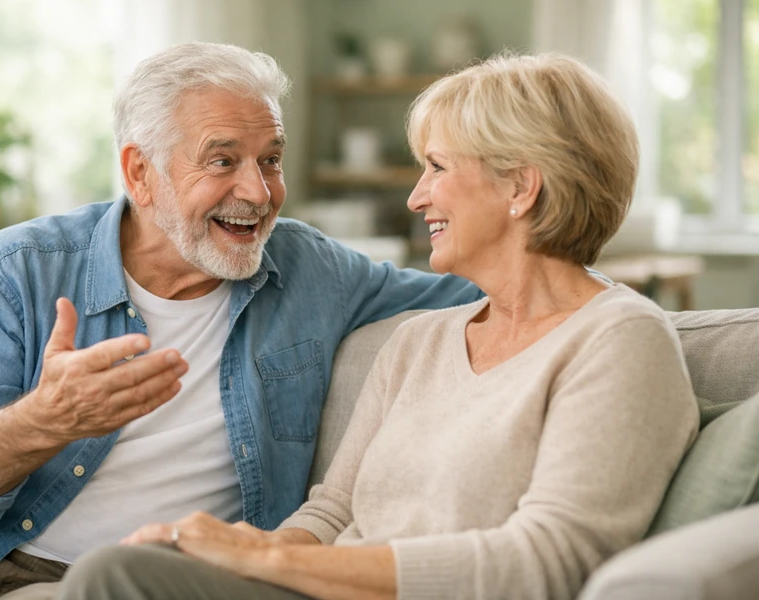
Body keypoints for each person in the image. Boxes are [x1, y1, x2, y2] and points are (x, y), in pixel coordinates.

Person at [47, 52, 701, 600]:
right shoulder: (421, 339)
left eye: (437, 168)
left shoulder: (620, 341)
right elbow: (333, 511)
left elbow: (544, 562)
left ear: (520, 188)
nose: (416, 196)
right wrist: (245, 551)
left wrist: (269, 562)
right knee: (119, 571)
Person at [0, 42, 484, 599]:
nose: (259, 193)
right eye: (222, 161)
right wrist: (42, 422)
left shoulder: (310, 267)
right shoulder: (18, 269)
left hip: (156, 580)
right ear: (140, 173)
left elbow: (484, 284)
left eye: (270, 159)